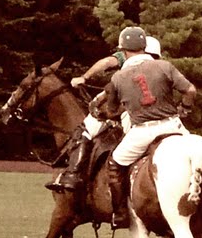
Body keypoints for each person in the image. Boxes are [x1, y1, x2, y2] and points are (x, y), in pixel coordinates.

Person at [96, 27, 196, 228]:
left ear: (123, 51)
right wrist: (184, 108)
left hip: (142, 131)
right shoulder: (164, 66)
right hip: (173, 126)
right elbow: (191, 90)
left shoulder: (118, 78)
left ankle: (120, 213)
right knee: (196, 153)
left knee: (114, 164)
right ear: (145, 47)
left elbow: (112, 109)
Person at [47, 33, 161, 193]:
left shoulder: (128, 57)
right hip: (158, 115)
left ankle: (72, 175)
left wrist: (84, 77)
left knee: (85, 131)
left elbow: (107, 62)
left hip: (126, 109)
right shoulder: (160, 67)